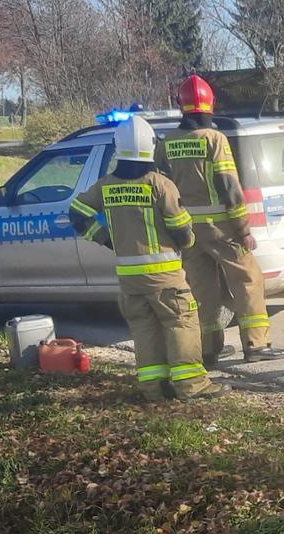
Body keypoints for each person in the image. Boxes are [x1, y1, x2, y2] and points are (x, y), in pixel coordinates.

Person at [68, 116, 226, 402]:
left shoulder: (106, 185)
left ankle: (155, 388)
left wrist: (105, 237)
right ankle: (192, 385)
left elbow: (77, 212)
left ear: (119, 148)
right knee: (181, 323)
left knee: (145, 329)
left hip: (130, 279)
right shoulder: (159, 184)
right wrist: (188, 241)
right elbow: (181, 229)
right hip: (166, 276)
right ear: (151, 146)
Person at [158, 75, 284, 364]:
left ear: (182, 105)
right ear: (210, 105)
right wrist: (243, 231)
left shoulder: (167, 142)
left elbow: (162, 186)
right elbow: (230, 188)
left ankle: (208, 349)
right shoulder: (214, 140)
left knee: (203, 291)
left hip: (189, 232)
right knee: (248, 281)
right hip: (223, 230)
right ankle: (256, 344)